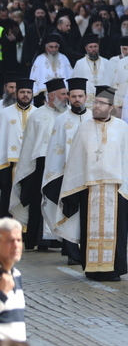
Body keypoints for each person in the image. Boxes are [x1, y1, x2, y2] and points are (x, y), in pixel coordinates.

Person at [56, 88, 128, 280]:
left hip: (115, 189)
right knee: (89, 229)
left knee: (117, 230)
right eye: (95, 102)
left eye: (101, 103)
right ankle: (92, 268)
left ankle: (114, 269)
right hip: (89, 189)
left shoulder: (122, 127)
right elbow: (76, 160)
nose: (96, 106)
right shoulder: (84, 128)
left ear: (111, 107)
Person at [10, 79, 66, 251]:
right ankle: (41, 239)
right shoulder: (37, 116)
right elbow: (30, 145)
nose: (66, 98)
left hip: (63, 164)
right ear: (51, 96)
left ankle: (60, 238)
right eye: (63, 94)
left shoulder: (67, 115)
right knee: (39, 200)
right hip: (41, 165)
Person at [0, 80, 32, 218]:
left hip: (31, 165)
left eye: (28, 92)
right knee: (7, 199)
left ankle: (26, 234)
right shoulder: (6, 113)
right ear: (17, 93)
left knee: (29, 199)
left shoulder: (37, 113)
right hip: (10, 164)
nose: (25, 95)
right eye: (22, 92)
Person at [70, 34, 114, 103]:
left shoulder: (106, 62)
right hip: (87, 101)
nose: (93, 49)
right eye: (90, 47)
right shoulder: (80, 63)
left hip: (103, 99)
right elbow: (76, 84)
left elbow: (110, 81)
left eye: (95, 46)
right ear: (86, 48)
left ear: (98, 47)